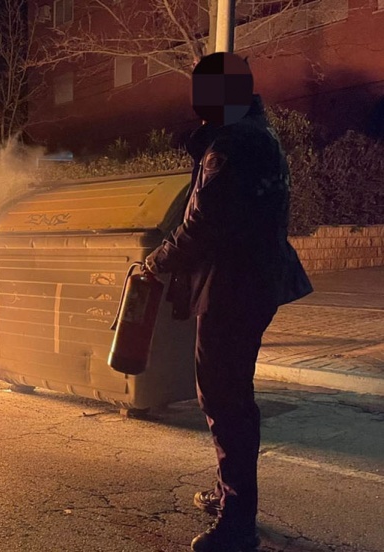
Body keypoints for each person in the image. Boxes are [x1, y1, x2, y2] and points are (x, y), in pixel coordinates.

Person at [143, 53, 312, 552]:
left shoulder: (231, 145)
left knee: (225, 400)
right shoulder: (261, 135)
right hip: (258, 282)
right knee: (232, 393)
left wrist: (158, 261)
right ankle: (230, 495)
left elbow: (203, 223)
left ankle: (238, 522)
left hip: (234, 287)